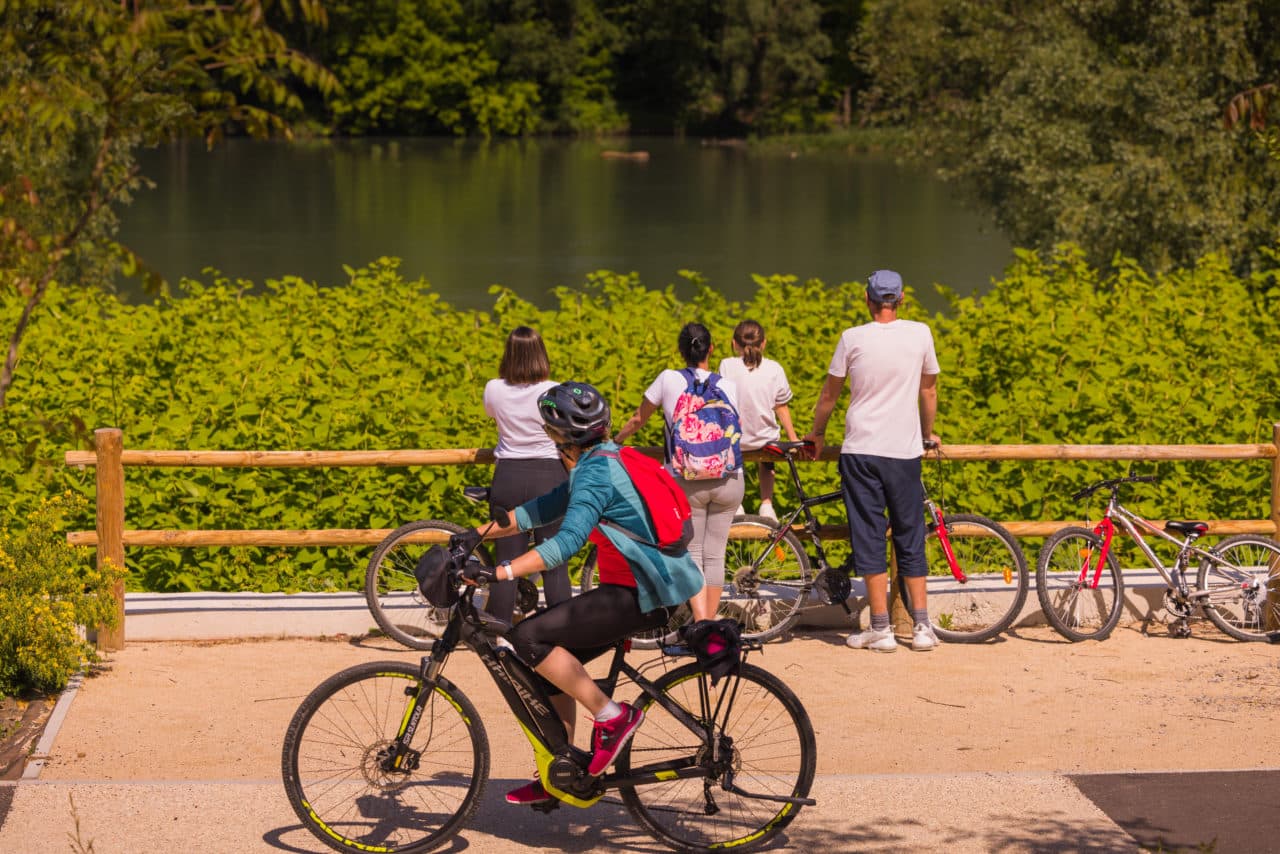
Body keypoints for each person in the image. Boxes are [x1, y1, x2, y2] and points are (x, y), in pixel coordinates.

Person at [456, 381, 705, 805]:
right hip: (644, 589)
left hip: (639, 594)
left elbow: (564, 544)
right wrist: (474, 536)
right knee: (541, 661)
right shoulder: (605, 458)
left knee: (528, 637)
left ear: (557, 438)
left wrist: (502, 572)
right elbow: (542, 508)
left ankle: (613, 716)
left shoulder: (592, 473)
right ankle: (561, 772)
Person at [802, 270, 941, 653]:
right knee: (910, 534)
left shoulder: (852, 338)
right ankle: (923, 627)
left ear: (867, 298)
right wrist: (927, 434)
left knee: (868, 533)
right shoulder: (920, 333)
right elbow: (927, 390)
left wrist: (816, 433)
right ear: (901, 299)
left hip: (861, 448)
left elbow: (829, 395)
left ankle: (880, 627)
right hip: (904, 450)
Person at [613, 322, 744, 621]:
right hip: (729, 477)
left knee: (694, 554)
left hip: (687, 479)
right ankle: (710, 625)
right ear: (711, 348)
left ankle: (699, 624)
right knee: (716, 555)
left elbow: (638, 418)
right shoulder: (728, 385)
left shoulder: (668, 379)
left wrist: (616, 441)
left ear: (680, 350)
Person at [482, 327, 571, 622]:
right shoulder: (553, 391)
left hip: (508, 475)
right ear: (541, 355)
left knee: (507, 560)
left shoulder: (493, 388)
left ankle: (500, 637)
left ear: (508, 354)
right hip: (548, 476)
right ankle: (561, 632)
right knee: (554, 559)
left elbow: (493, 415)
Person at [717, 319, 799, 521]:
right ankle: (767, 504)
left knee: (731, 445)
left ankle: (737, 503)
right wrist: (793, 438)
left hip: (737, 439)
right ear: (764, 343)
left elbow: (722, 402)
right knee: (768, 455)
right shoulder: (775, 368)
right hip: (766, 441)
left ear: (734, 343)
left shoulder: (726, 365)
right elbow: (781, 407)